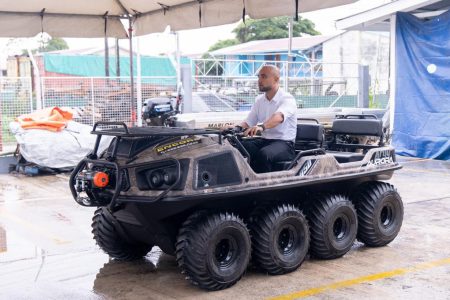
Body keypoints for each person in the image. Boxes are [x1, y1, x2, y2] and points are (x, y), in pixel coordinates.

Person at [235, 65, 297, 173]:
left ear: (276, 79)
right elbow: (249, 122)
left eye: (264, 77)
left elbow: (278, 117)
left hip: (284, 144)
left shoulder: (287, 98)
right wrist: (235, 128)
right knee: (239, 148)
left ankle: (262, 187)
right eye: (259, 77)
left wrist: (262, 127)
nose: (259, 80)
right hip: (265, 141)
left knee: (264, 154)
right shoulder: (259, 100)